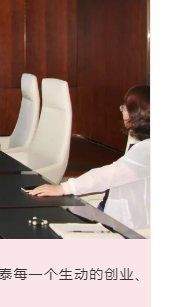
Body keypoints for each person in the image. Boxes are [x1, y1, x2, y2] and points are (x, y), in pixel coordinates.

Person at [30, 85, 150, 230]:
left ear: (138, 113)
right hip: (110, 212)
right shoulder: (140, 142)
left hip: (124, 228)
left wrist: (64, 187)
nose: (122, 111)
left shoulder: (147, 150)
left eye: (125, 108)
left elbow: (108, 175)